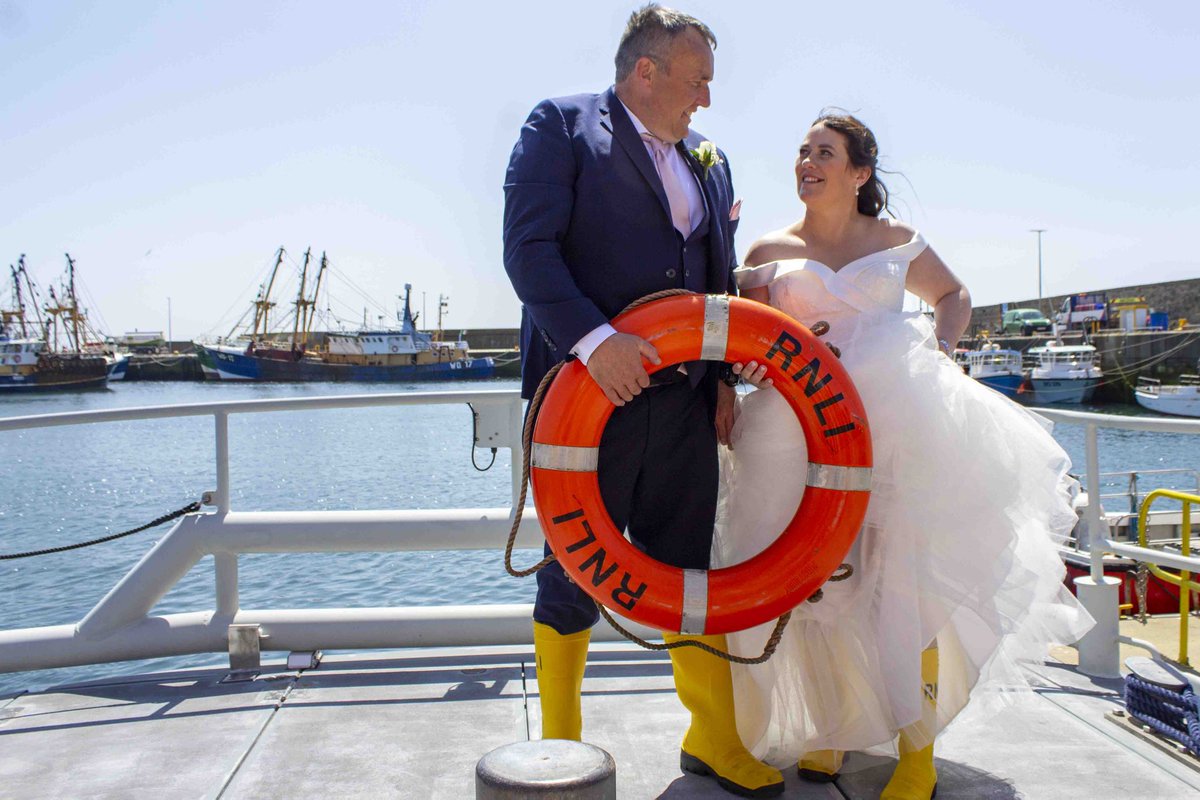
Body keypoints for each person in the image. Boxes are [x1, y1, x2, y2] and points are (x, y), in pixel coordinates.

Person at [716, 112, 1094, 800]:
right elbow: (754, 345)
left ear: (859, 173)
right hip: (796, 429)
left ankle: (916, 753)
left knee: (904, 584)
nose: (807, 161)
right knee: (813, 582)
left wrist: (942, 351)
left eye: (824, 152)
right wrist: (759, 366)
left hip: (900, 424)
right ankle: (831, 732)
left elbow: (954, 295)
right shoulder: (768, 249)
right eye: (802, 151)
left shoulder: (895, 242)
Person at [502, 5, 783, 797]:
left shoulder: (709, 157)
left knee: (691, 565)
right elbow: (527, 252)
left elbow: (716, 277)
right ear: (646, 71)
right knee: (569, 572)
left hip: (686, 402)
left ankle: (713, 738)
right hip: (582, 400)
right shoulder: (559, 128)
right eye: (697, 80)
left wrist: (723, 379)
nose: (706, 99)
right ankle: (558, 746)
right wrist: (596, 344)